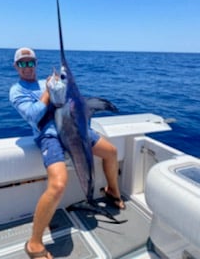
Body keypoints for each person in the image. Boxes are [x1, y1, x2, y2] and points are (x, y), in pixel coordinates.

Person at [9, 47, 125, 259]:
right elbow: (33, 115)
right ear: (16, 67)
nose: (27, 67)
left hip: (73, 129)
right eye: (22, 64)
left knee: (111, 151)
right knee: (58, 184)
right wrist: (48, 91)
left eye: (30, 62)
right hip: (49, 135)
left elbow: (74, 104)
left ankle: (112, 191)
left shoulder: (52, 82)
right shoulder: (17, 90)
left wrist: (64, 88)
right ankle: (34, 243)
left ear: (36, 63)